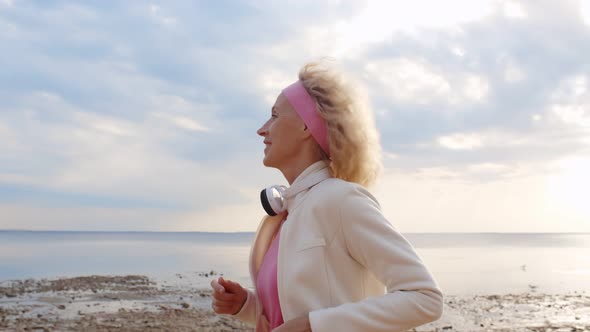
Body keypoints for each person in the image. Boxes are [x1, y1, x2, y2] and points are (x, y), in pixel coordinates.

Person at [210, 61, 443, 332]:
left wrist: (313, 325)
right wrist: (245, 305)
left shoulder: (341, 199)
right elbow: (292, 315)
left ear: (307, 127)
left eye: (275, 115)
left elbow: (425, 298)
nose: (262, 129)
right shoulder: (288, 212)